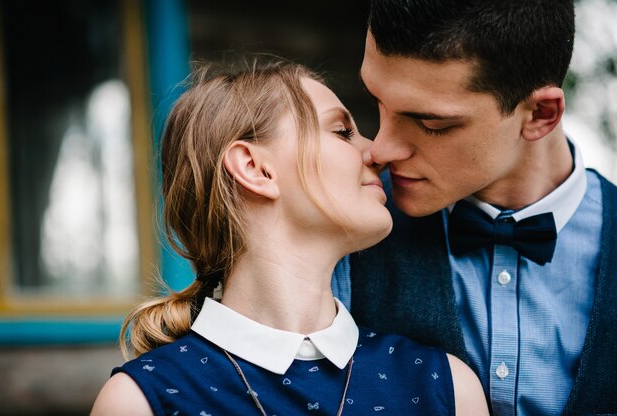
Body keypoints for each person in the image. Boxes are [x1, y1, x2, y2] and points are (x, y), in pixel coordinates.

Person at [91, 61, 488, 415]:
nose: (377, 152)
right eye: (343, 131)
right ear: (255, 169)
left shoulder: (448, 388)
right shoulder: (138, 402)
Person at [333, 1, 617, 415]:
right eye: (376, 100)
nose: (381, 148)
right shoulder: (344, 235)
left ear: (540, 113)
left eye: (432, 123)